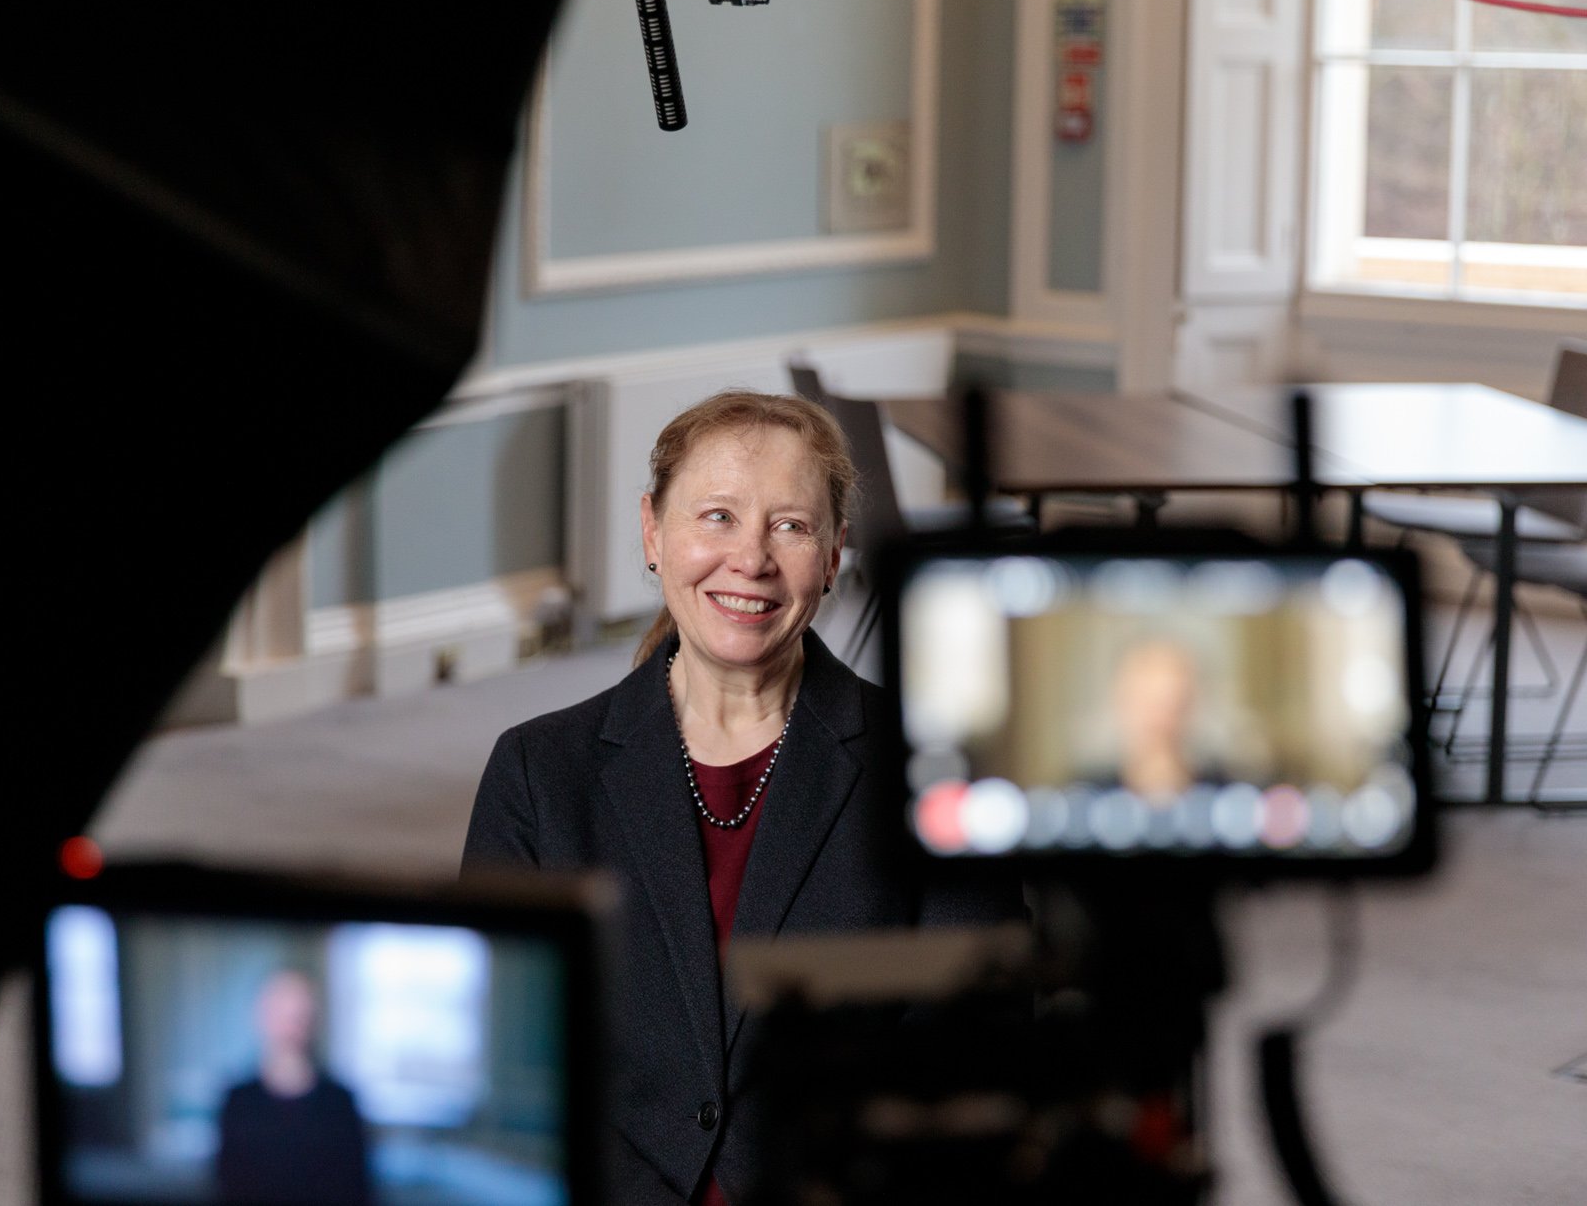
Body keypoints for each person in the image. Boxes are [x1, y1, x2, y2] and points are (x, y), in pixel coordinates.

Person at [462, 390, 1025, 1206]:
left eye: (791, 526)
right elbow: (505, 1063)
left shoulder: (936, 768)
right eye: (717, 516)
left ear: (834, 555)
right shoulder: (537, 771)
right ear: (653, 531)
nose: (751, 558)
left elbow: (978, 1046)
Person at [214, 969, 371, 1206]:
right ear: (261, 1015)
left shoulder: (341, 1104)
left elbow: (358, 1191)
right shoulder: (237, 1102)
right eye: (281, 1012)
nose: (291, 1025)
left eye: (299, 1013)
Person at [1108, 638, 1208, 801]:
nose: (1161, 720)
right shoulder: (1085, 795)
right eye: (1149, 702)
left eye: (1174, 702)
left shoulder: (1229, 795)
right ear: (1122, 702)